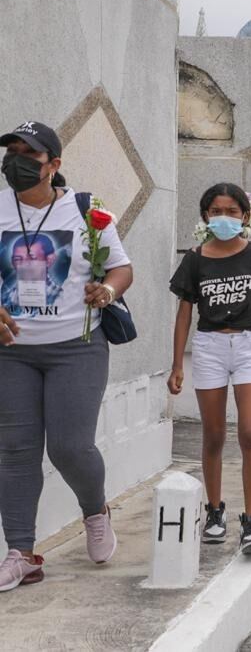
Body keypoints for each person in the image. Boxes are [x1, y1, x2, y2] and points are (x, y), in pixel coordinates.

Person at [0, 122, 133, 591]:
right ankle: (21, 552)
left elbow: (121, 266)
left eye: (28, 155)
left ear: (54, 165)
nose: (15, 161)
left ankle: (95, 511)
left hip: (76, 347)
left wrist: (108, 289)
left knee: (70, 447)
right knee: (15, 450)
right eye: (11, 152)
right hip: (11, 351)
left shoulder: (86, 210)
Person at [168, 183, 251, 554]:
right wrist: (176, 365)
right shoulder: (195, 259)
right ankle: (215, 511)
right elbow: (184, 313)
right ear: (205, 216)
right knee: (214, 435)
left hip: (249, 345)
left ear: (246, 217)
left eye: (232, 211)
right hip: (209, 347)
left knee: (250, 432)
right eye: (217, 211)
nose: (225, 217)